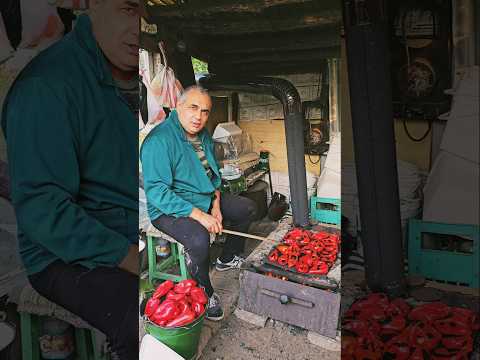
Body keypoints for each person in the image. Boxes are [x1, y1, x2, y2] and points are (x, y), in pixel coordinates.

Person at [1, 1, 139, 359]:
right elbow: (44, 211)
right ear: (95, 7)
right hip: (59, 256)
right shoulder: (46, 88)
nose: (140, 27)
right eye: (129, 9)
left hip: (123, 228)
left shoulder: (127, 78)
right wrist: (129, 255)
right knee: (137, 317)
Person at [141, 85, 258, 321]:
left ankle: (227, 257)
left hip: (203, 197)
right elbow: (158, 193)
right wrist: (201, 216)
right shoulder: (159, 141)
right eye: (193, 108)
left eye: (205, 111)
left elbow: (212, 174)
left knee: (247, 208)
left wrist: (215, 206)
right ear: (178, 106)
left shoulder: (202, 135)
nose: (199, 117)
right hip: (168, 208)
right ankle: (204, 291)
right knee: (198, 239)